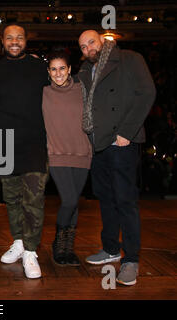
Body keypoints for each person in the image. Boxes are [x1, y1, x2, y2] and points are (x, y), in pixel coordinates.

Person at [78, 30, 156, 286]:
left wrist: (127, 131)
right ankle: (110, 248)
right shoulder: (84, 70)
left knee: (125, 201)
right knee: (106, 199)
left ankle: (131, 259)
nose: (88, 48)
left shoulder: (130, 59)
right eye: (83, 46)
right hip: (98, 144)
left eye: (91, 42)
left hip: (122, 140)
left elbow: (147, 93)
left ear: (102, 40)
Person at [0, 24, 49, 279]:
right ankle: (19, 241)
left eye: (19, 38)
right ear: (2, 41)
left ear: (26, 41)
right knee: (11, 200)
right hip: (3, 140)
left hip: (34, 141)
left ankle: (31, 250)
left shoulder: (39, 68)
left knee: (33, 199)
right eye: (10, 38)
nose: (15, 42)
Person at [42, 50, 92, 267]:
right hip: (56, 154)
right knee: (70, 200)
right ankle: (58, 244)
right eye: (53, 69)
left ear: (70, 69)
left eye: (62, 68)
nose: (58, 73)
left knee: (73, 204)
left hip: (83, 152)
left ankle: (67, 249)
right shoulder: (42, 92)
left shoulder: (83, 89)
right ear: (48, 72)